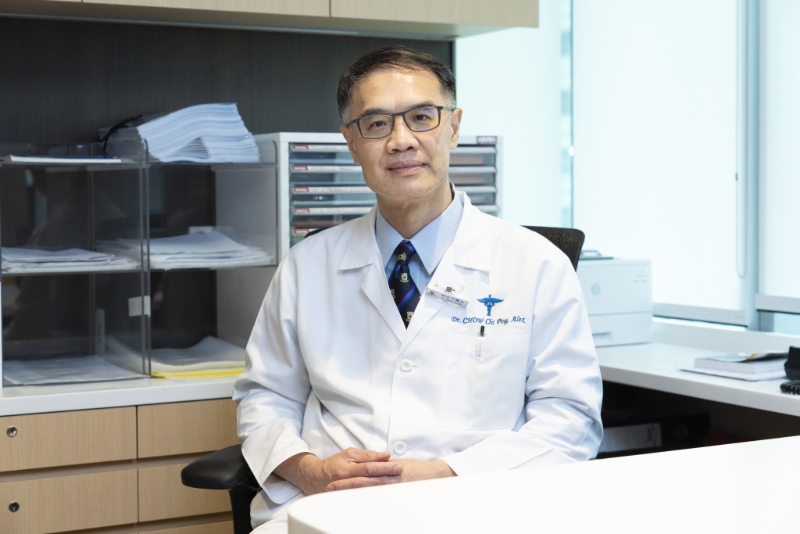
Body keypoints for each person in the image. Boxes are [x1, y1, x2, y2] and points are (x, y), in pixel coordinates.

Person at [233, 45, 603, 533]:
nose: (401, 141)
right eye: (376, 124)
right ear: (351, 142)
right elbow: (265, 396)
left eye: (422, 117)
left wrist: (445, 475)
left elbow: (570, 420)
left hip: (482, 506)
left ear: (453, 127)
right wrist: (310, 472)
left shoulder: (535, 264)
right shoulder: (307, 264)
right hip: (328, 509)